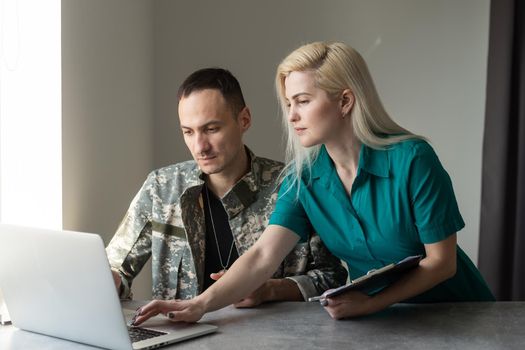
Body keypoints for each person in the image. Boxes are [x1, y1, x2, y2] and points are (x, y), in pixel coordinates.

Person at [131, 42, 494, 325]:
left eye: (303, 101)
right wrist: (198, 305)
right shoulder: (303, 178)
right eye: (289, 103)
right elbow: (260, 256)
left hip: (460, 315)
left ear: (345, 101)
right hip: (387, 323)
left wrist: (369, 303)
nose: (292, 115)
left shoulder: (413, 159)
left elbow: (442, 264)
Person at [106, 68, 347, 306]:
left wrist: (270, 290)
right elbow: (117, 266)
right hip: (179, 337)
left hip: (268, 341)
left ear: (244, 120)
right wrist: (111, 281)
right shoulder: (161, 187)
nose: (200, 146)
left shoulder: (292, 185)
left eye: (211, 129)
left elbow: (331, 277)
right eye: (188, 132)